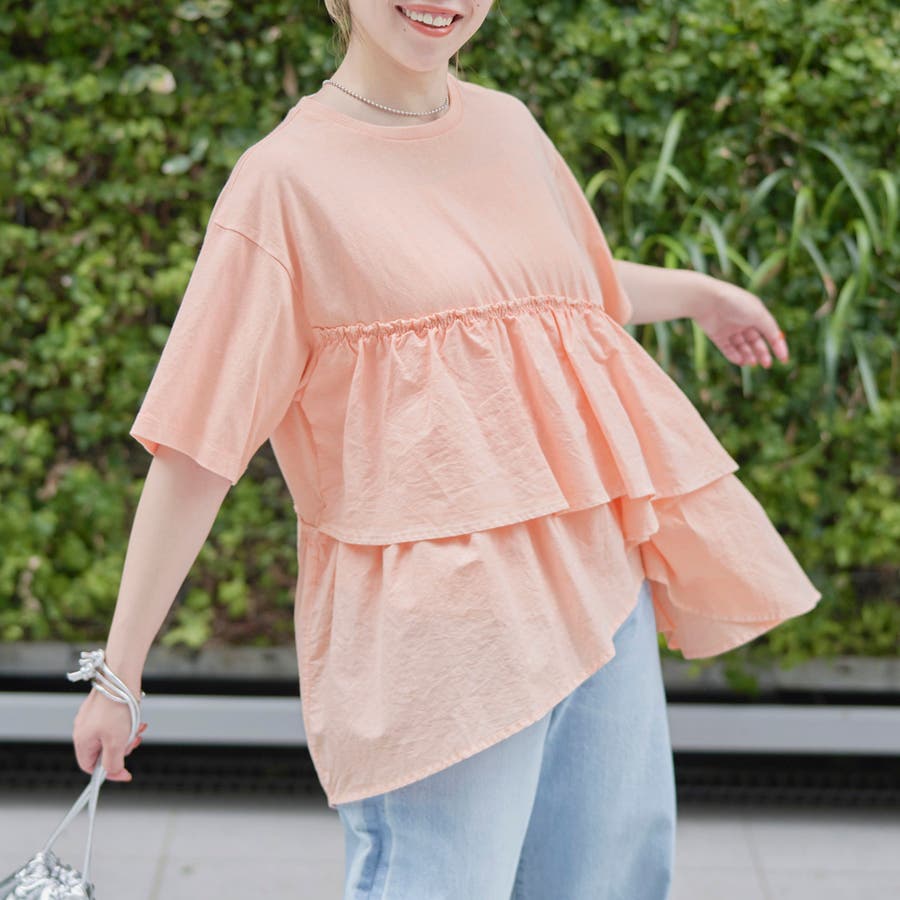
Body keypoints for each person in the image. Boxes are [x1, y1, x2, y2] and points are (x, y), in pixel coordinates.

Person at [71, 1, 823, 897]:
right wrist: (120, 672)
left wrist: (703, 295)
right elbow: (199, 443)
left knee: (609, 879)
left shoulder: (509, 126)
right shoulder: (283, 182)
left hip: (596, 580)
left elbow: (551, 289)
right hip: (440, 625)